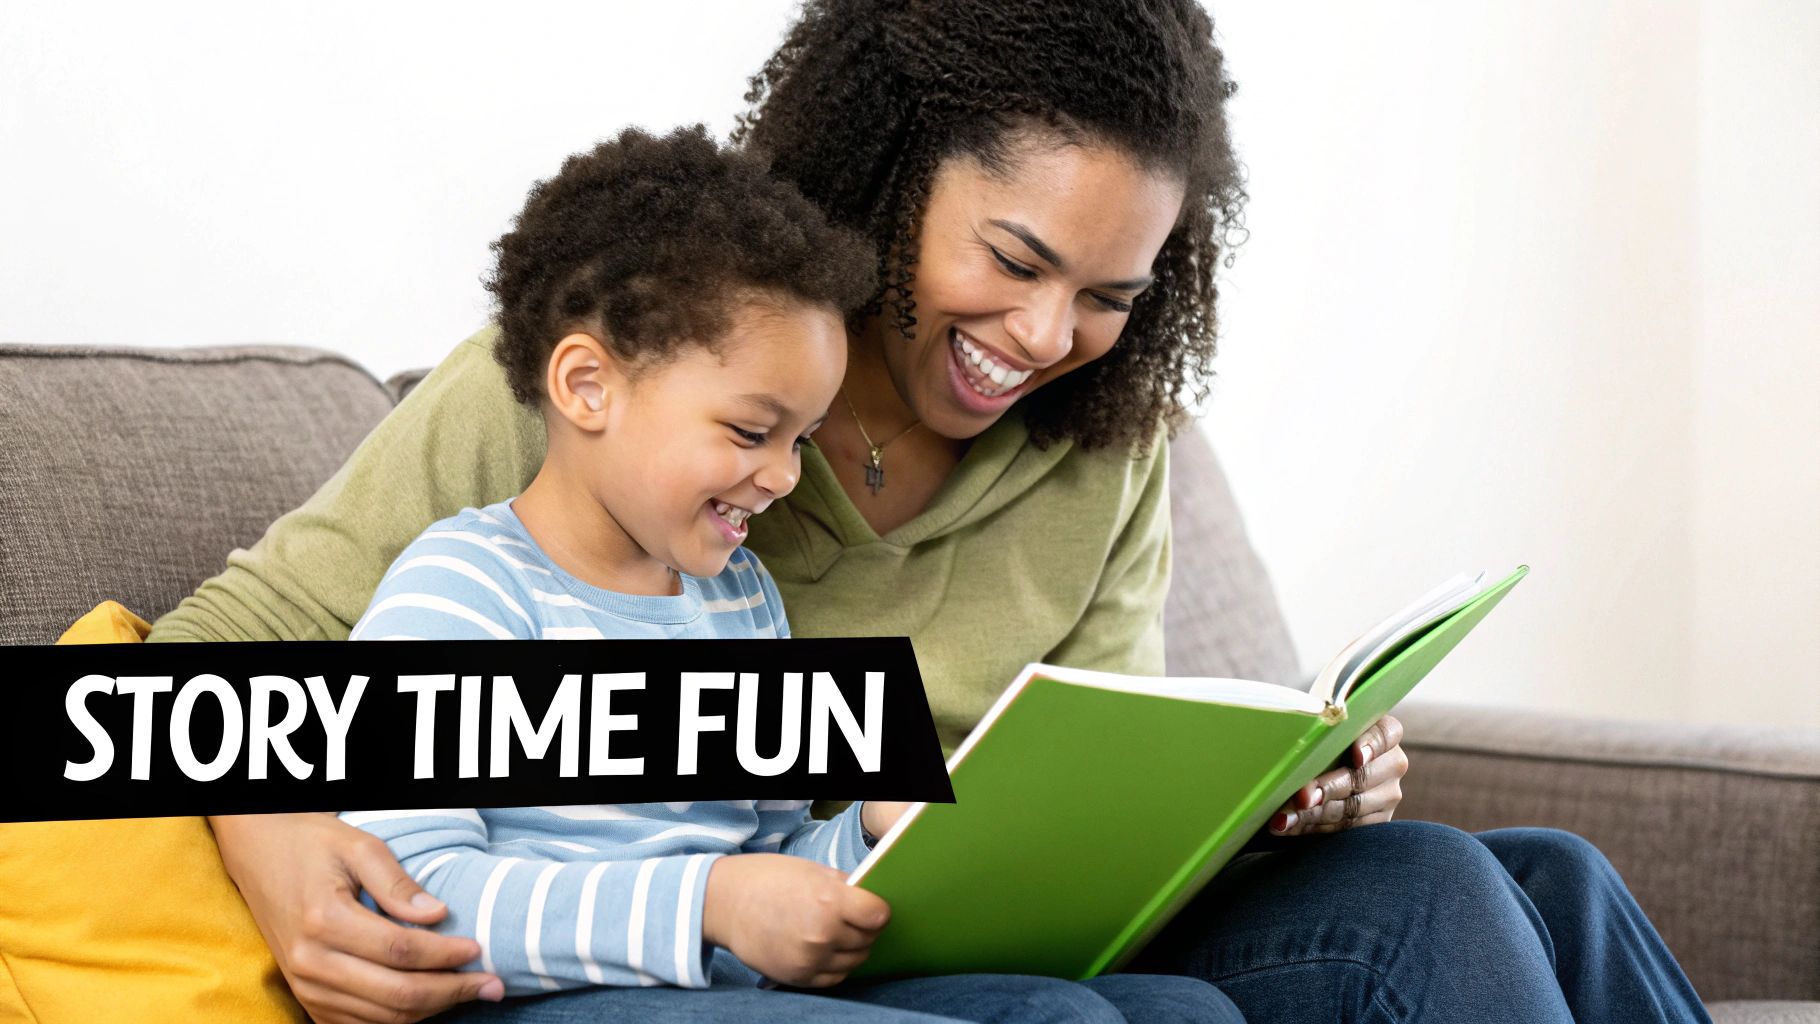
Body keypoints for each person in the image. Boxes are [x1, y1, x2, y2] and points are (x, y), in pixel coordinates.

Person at [153, 1, 1712, 1022]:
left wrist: (1261, 796)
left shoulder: (1102, 455)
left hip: (961, 927)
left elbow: (1094, 789)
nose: (1044, 336)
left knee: (1499, 879)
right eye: (1014, 260)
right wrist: (280, 850)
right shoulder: (621, 378)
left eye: (1109, 295)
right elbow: (211, 655)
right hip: (717, 959)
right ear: (888, 178)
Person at [337, 123, 1242, 1024]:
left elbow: (772, 855)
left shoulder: (741, 600)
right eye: (749, 432)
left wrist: (868, 830)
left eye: (802, 440)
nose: (783, 477)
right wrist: (709, 904)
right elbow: (412, 891)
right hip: (536, 1002)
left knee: (1164, 1013)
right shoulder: (463, 590)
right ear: (586, 387)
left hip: (721, 994)